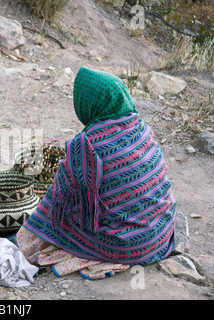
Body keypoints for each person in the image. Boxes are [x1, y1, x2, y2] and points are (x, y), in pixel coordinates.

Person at [16, 66, 176, 280]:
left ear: (87, 104)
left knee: (52, 223)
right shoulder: (141, 129)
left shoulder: (85, 147)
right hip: (159, 235)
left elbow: (57, 206)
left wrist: (29, 231)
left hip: (125, 247)